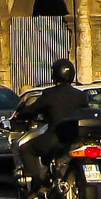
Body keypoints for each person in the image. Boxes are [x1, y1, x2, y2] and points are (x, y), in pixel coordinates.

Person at [12, 58, 90, 187]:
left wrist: (21, 115)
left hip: (55, 137)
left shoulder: (49, 94)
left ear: (54, 74)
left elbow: (33, 109)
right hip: (75, 138)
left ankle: (37, 184)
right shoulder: (80, 95)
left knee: (26, 149)